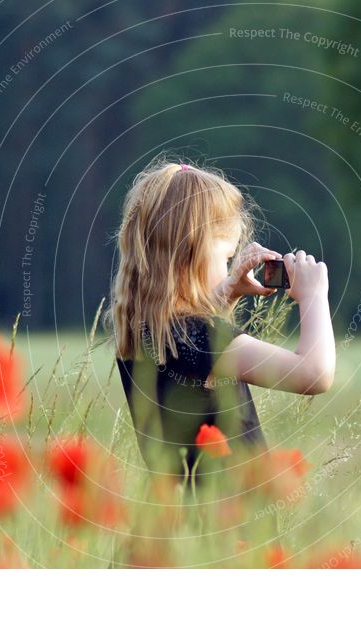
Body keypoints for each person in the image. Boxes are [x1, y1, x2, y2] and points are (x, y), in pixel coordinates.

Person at [108, 156, 335, 486]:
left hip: (189, 521)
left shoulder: (147, 331)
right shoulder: (194, 338)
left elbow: (199, 369)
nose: (228, 268)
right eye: (226, 258)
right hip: (233, 525)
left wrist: (227, 294)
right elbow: (313, 374)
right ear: (194, 253)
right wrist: (315, 296)